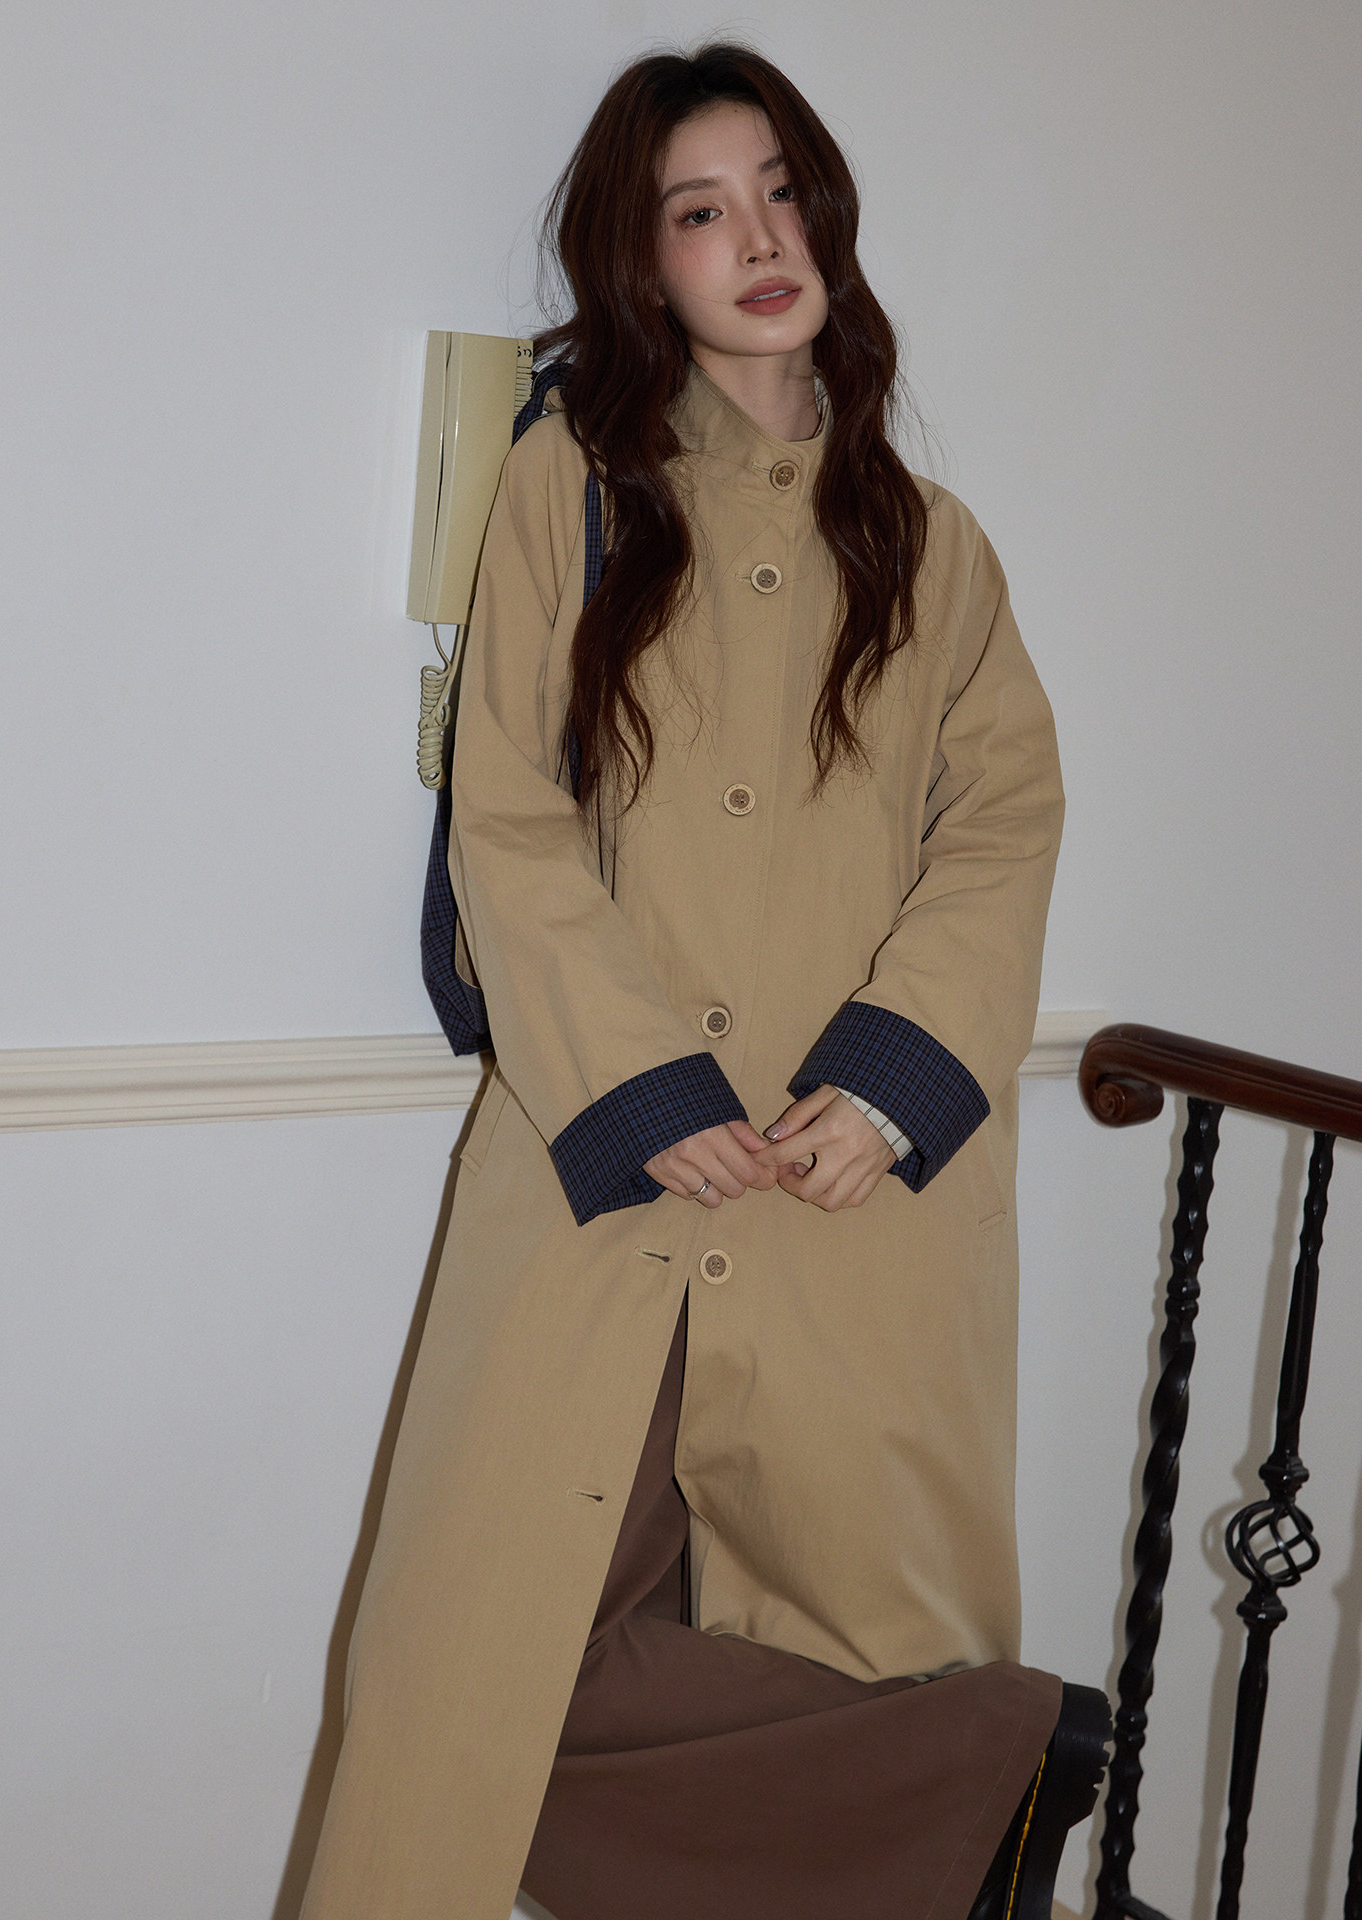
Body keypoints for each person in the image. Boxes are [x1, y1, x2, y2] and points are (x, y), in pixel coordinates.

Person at [300, 42, 1098, 1920]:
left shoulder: (937, 552)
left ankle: (953, 1767)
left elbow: (1005, 825)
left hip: (845, 1199)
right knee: (463, 1688)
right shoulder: (567, 491)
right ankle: (985, 1771)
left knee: (841, 1639)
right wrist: (639, 1086)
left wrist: (896, 1080)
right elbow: (506, 814)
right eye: (701, 210)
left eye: (781, 191)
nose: (758, 236)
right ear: (642, 263)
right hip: (601, 1179)